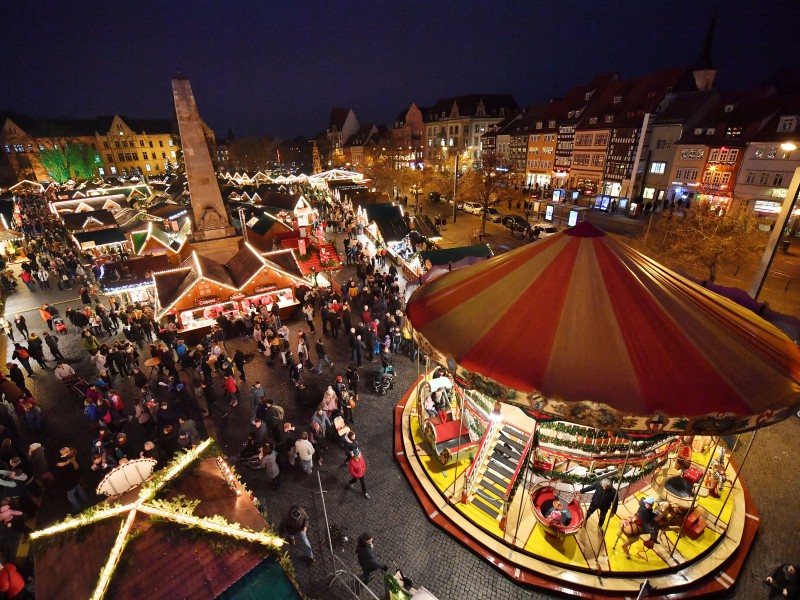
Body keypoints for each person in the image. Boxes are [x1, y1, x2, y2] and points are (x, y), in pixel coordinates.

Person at [56, 447, 88, 513]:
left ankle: (77, 507)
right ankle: (85, 499)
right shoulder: (72, 457)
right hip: (76, 479)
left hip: (70, 482)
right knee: (79, 489)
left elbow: (65, 474)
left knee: (70, 496)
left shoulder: (66, 462)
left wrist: (62, 465)